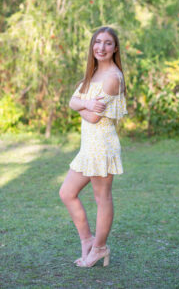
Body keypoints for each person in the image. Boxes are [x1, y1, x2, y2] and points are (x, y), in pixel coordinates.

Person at [59, 26, 127, 268]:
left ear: (115, 48)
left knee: (102, 198)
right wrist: (84, 103)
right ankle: (88, 240)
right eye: (98, 42)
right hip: (88, 147)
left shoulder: (111, 78)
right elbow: (72, 102)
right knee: (67, 193)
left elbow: (93, 117)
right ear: (92, 46)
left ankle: (100, 248)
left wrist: (81, 106)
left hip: (102, 146)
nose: (101, 47)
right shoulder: (93, 73)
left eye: (108, 43)